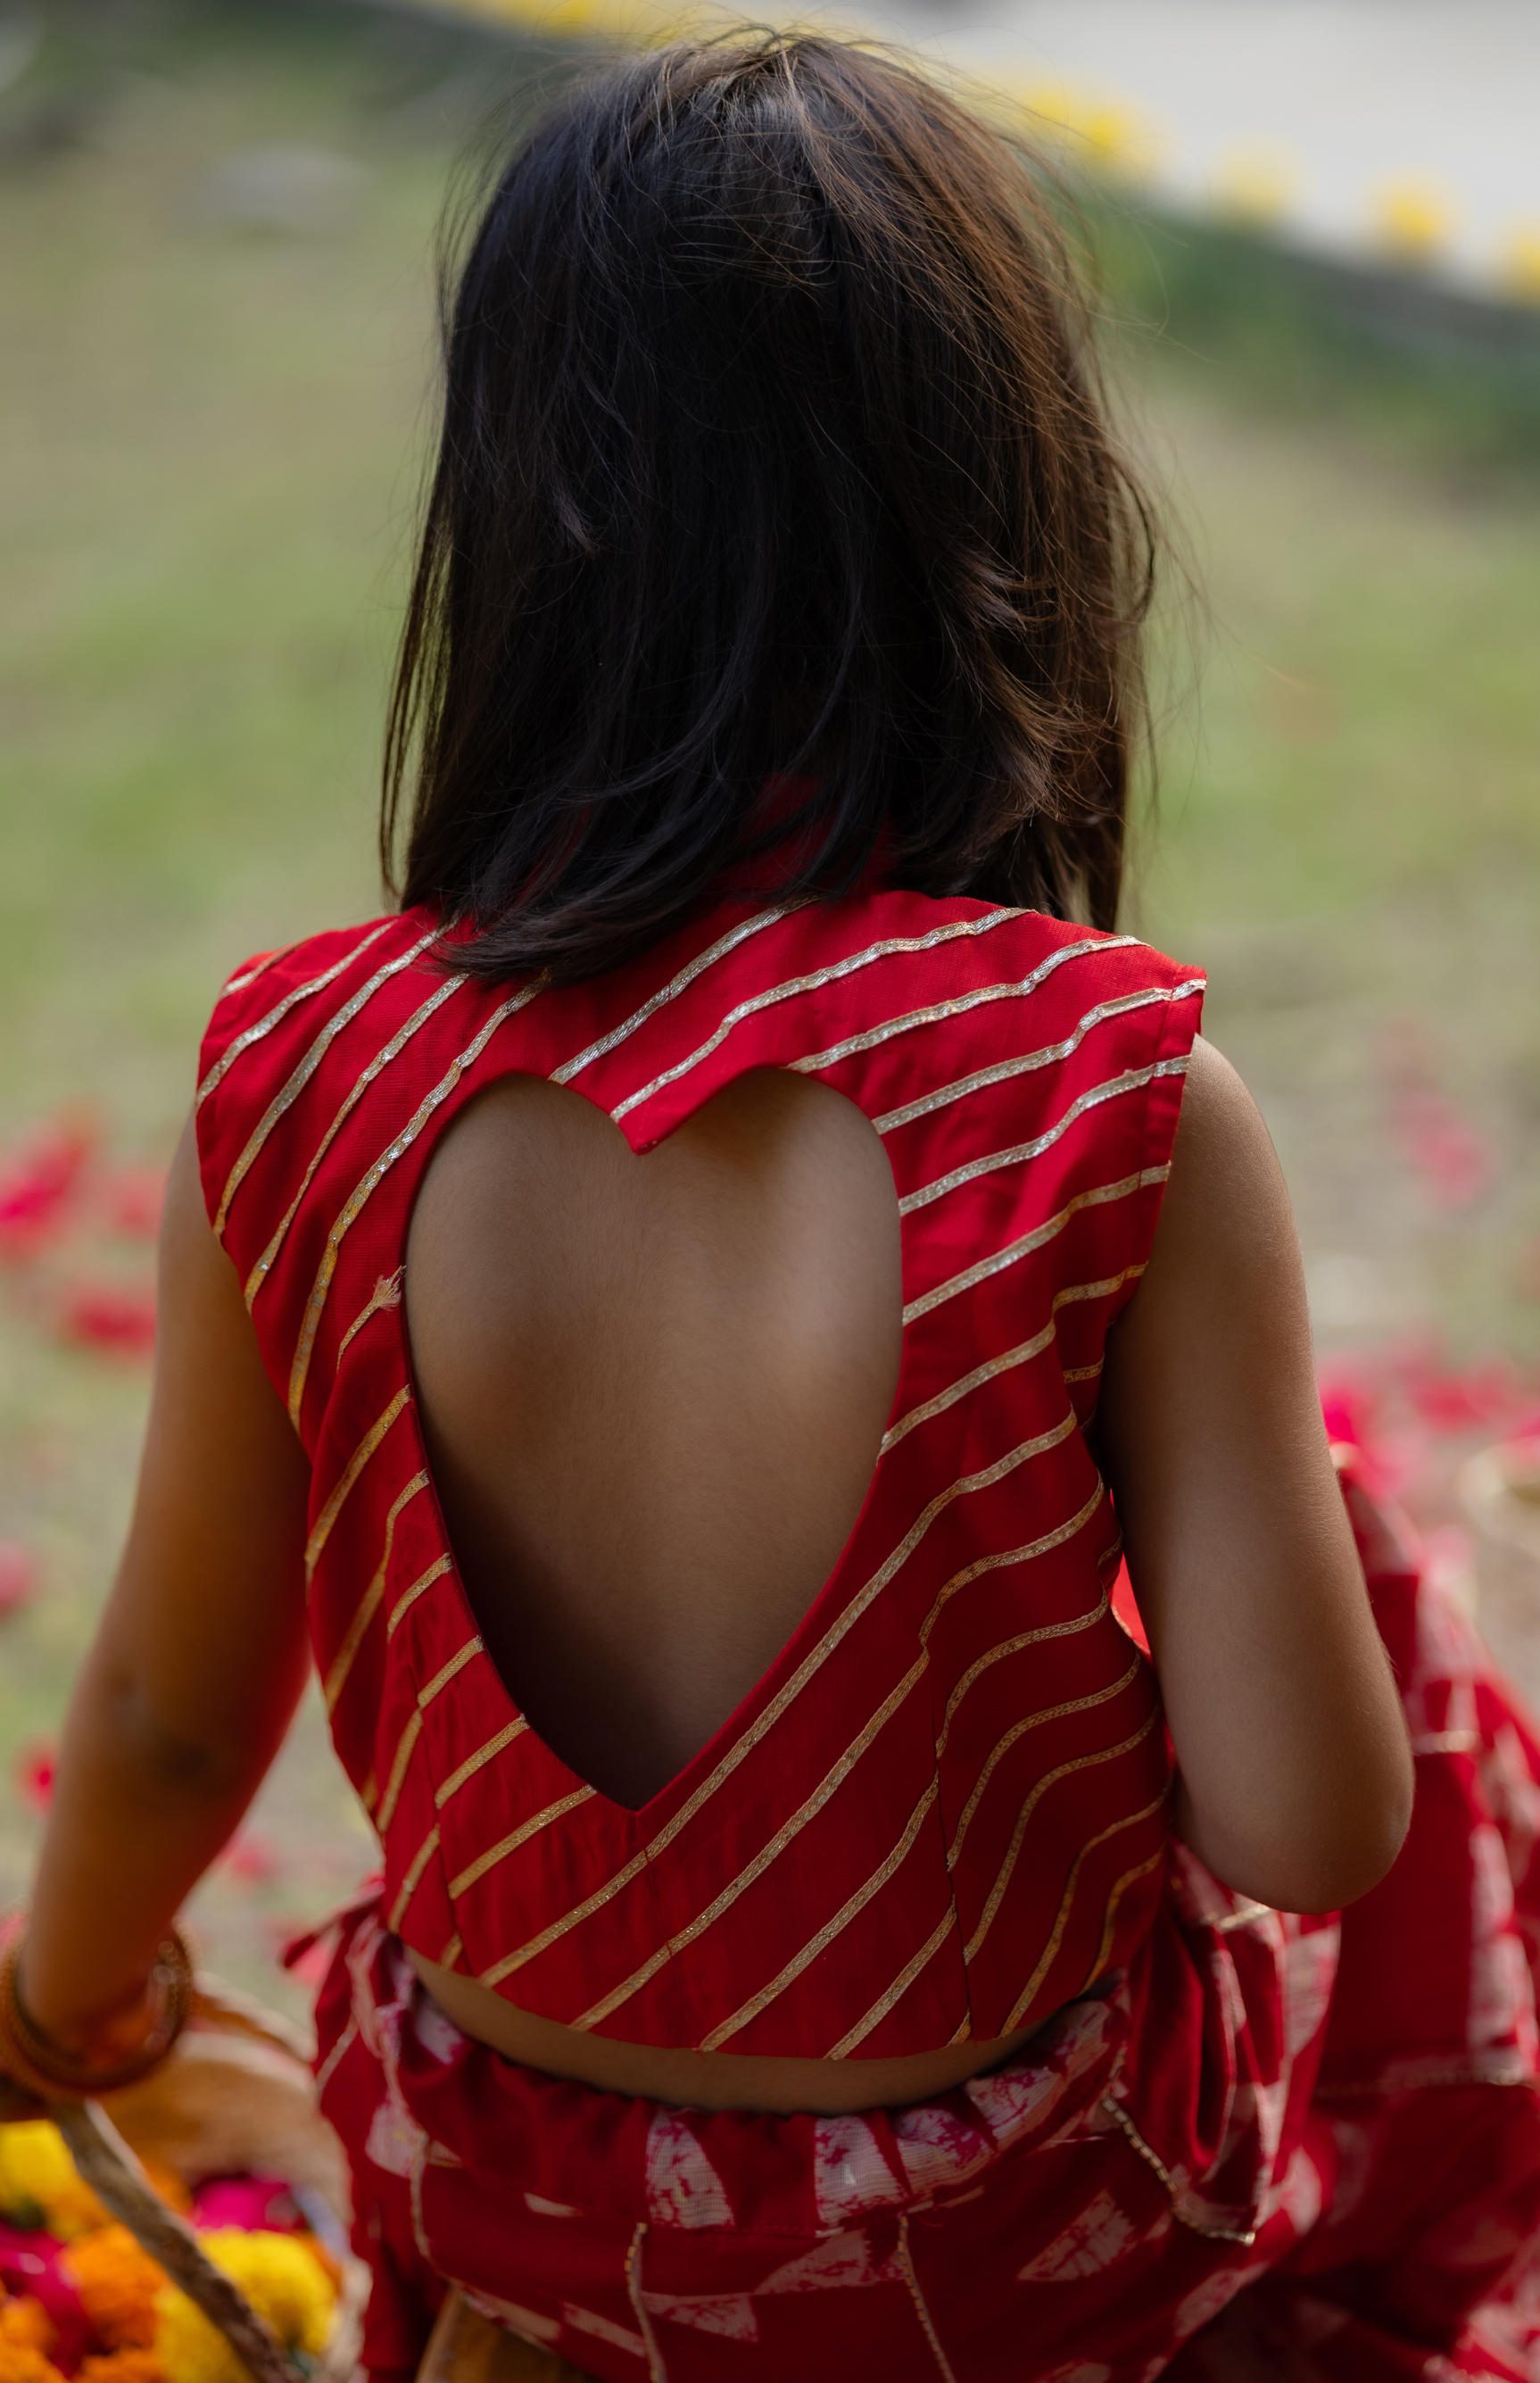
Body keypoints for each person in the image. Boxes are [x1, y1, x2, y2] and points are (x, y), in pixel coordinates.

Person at [5, 32, 1540, 2383]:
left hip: (507, 2192)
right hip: (995, 2232)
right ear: (1009, 528)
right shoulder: (1108, 1087)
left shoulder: (293, 1065)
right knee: (1380, 1580)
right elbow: (1309, 1827)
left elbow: (169, 1723)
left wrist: (66, 1990)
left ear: (514, 529)